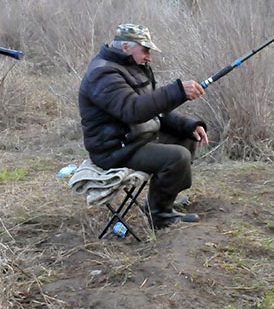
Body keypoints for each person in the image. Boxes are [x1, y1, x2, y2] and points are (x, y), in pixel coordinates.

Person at [78, 23, 210, 227]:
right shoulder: (102, 74)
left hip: (135, 138)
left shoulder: (134, 68)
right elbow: (133, 110)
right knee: (177, 157)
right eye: (145, 50)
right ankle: (160, 217)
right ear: (125, 48)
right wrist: (177, 92)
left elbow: (155, 110)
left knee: (187, 138)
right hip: (114, 149)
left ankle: (163, 199)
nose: (149, 56)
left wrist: (188, 125)